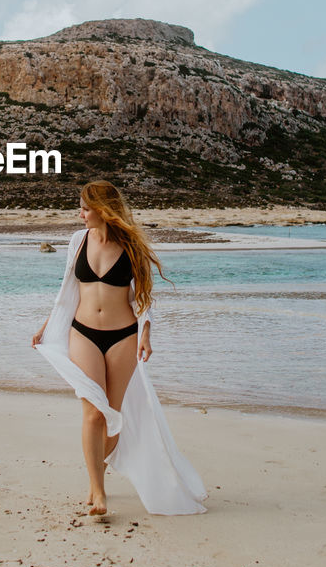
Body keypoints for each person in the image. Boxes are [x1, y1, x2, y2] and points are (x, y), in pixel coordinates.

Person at [31, 180, 206, 516]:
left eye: (85, 207)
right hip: (82, 333)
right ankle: (98, 491)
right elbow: (67, 289)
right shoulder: (77, 241)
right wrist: (47, 325)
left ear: (103, 209)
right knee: (94, 412)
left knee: (114, 420)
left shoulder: (130, 246)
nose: (80, 214)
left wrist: (146, 332)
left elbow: (143, 295)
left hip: (123, 335)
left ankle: (102, 467)